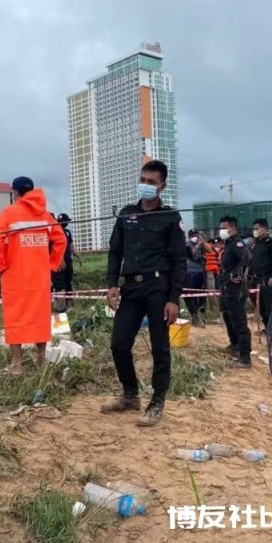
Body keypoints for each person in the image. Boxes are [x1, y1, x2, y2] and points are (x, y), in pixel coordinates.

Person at [102, 160, 186, 427]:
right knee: (119, 344)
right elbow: (115, 251)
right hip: (131, 287)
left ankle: (157, 402)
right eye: (143, 180)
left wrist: (174, 298)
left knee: (160, 347)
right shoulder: (126, 214)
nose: (145, 186)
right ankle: (130, 394)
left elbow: (179, 261)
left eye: (151, 182)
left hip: (158, 288)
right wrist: (112, 283)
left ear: (162, 185)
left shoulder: (171, 217)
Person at [0, 177, 66, 375]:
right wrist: (51, 265)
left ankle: (17, 364)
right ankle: (40, 362)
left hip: (14, 277)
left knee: (15, 318)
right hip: (39, 277)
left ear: (15, 193)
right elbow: (60, 240)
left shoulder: (9, 214)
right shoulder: (45, 215)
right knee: (40, 318)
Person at [218, 216, 252, 367]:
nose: (221, 231)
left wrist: (237, 273)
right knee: (228, 317)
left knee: (239, 321)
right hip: (226, 288)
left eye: (224, 228)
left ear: (232, 228)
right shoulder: (229, 244)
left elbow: (247, 256)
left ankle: (245, 357)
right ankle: (234, 346)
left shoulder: (237, 243)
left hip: (235, 290)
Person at [250, 218, 272, 330]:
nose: (255, 231)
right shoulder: (256, 243)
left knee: (269, 305)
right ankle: (267, 327)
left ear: (265, 229)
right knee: (261, 306)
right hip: (256, 279)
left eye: (257, 229)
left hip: (268, 278)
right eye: (254, 229)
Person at [52, 212, 80, 313]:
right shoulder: (58, 232)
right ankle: (65, 307)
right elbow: (71, 248)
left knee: (64, 285)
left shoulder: (64, 232)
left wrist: (77, 256)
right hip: (62, 263)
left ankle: (65, 307)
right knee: (63, 285)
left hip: (63, 263)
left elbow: (71, 246)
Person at [184, 229, 206, 327]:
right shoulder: (187, 245)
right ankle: (194, 317)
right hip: (190, 273)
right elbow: (192, 254)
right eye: (193, 235)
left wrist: (203, 242)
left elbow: (210, 250)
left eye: (196, 235)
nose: (195, 237)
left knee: (201, 295)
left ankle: (201, 315)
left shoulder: (201, 244)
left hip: (200, 272)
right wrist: (197, 245)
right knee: (190, 296)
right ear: (189, 236)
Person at [203, 236, 220, 313]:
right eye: (211, 244)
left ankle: (215, 308)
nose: (213, 245)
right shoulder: (206, 251)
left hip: (215, 272)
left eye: (214, 244)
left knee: (215, 290)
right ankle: (213, 308)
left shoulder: (215, 251)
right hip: (209, 273)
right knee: (211, 290)